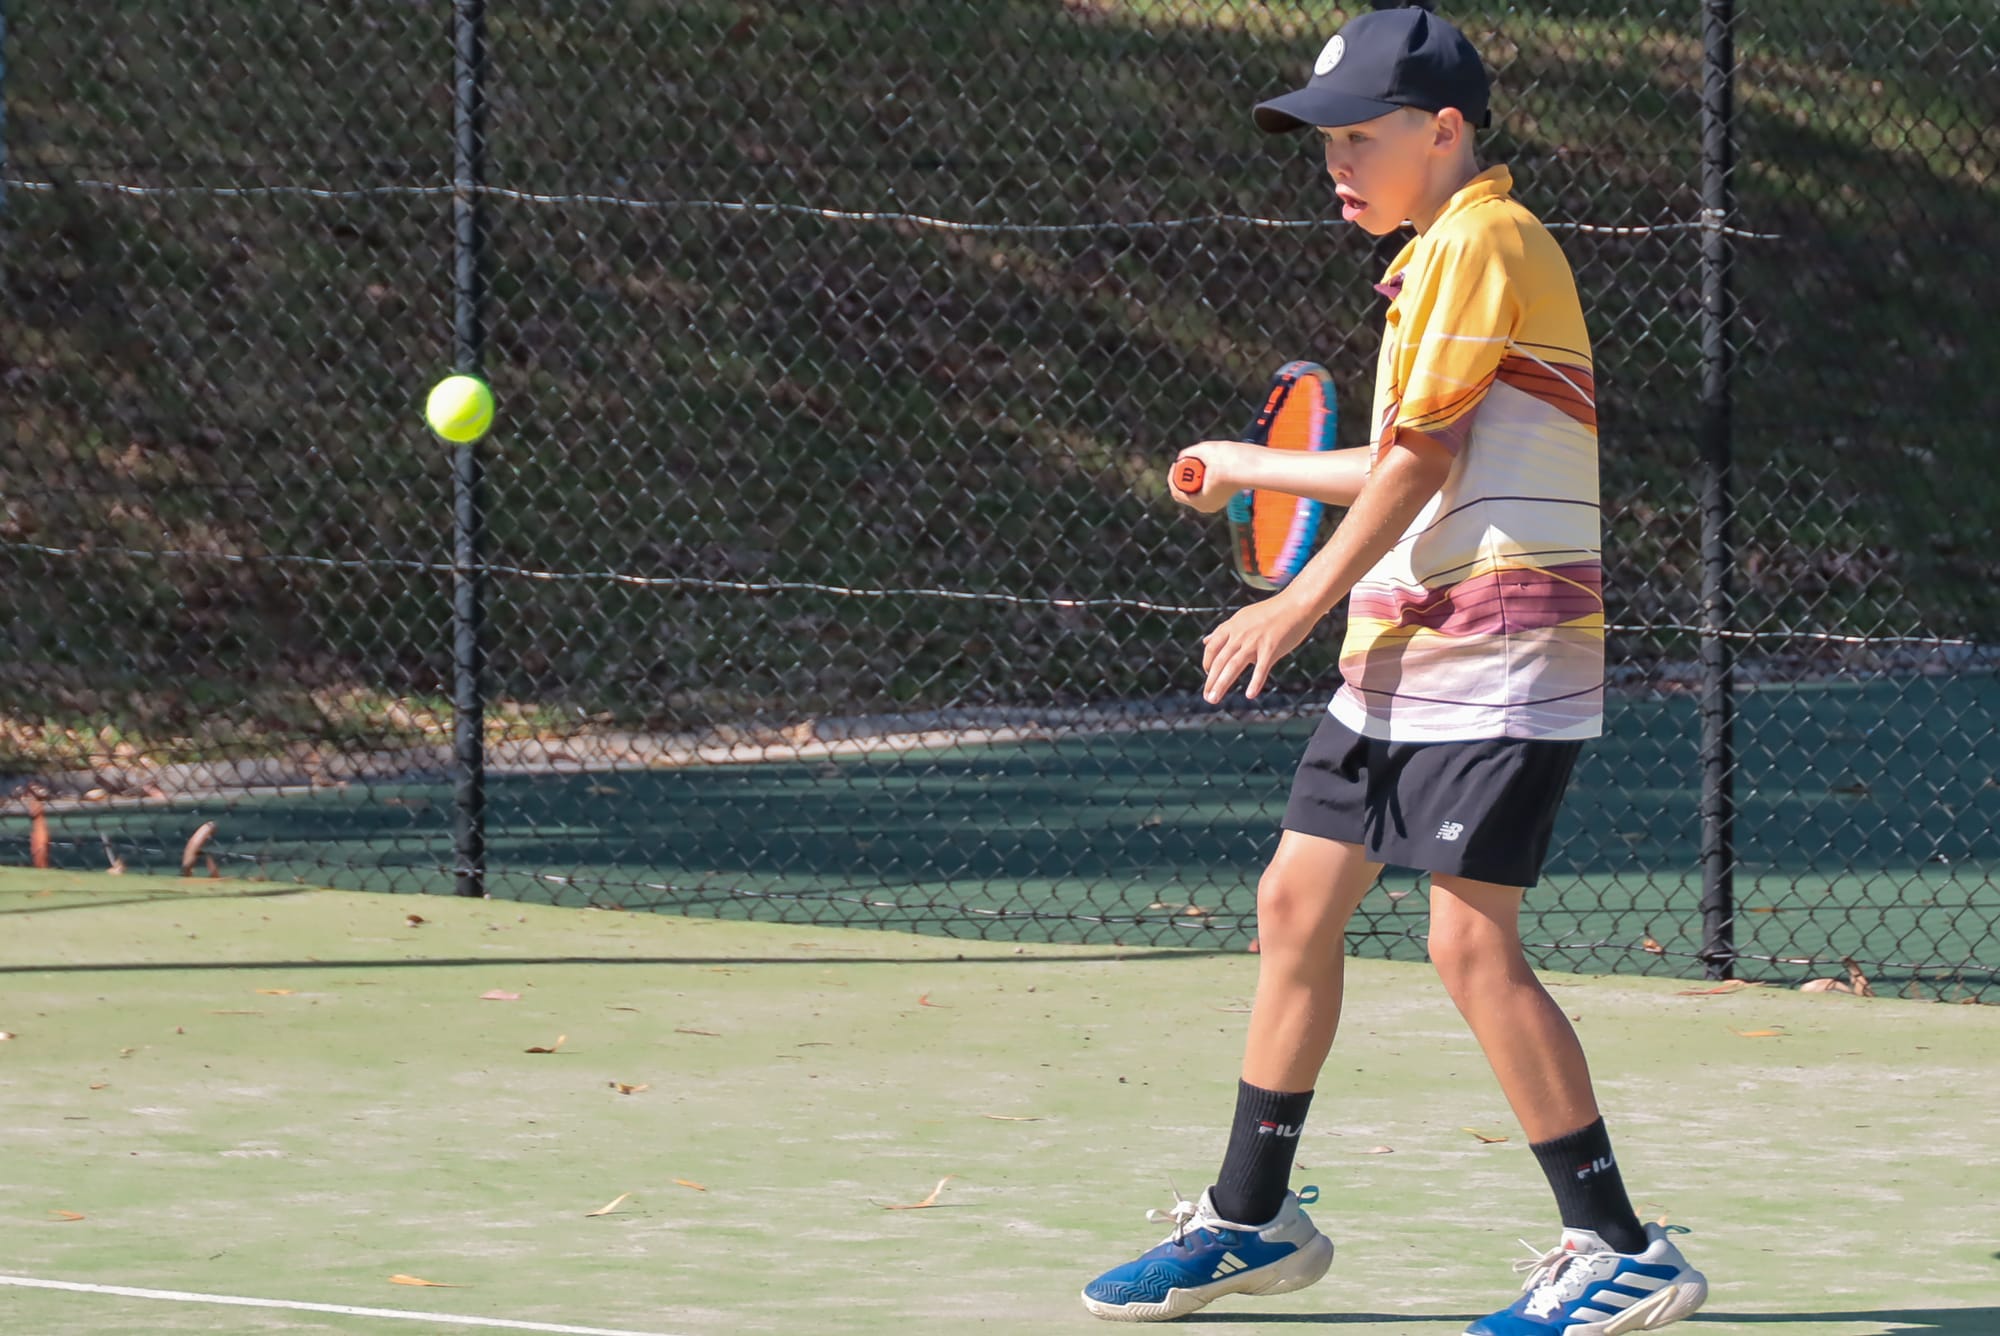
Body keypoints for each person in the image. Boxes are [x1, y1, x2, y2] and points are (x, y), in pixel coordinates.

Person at [1080, 6, 1709, 1334]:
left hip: (1503, 653)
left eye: (1361, 137)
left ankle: (1619, 1247)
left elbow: (1420, 465)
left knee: (1468, 943)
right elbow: (1400, 459)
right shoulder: (1435, 261)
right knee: (1297, 903)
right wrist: (1246, 467)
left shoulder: (1489, 239)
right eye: (1325, 141)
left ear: (1445, 131)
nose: (1336, 163)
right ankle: (1251, 1219)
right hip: (1406, 651)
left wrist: (1295, 602)